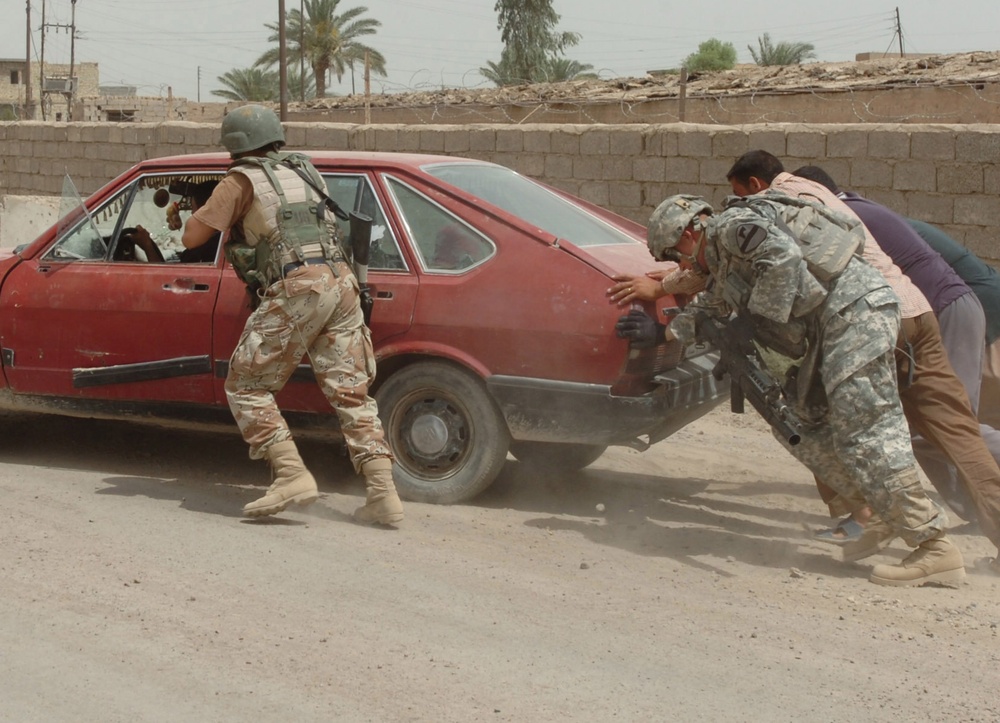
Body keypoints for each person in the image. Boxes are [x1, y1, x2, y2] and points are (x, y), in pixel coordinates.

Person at [618, 192, 964, 587]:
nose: (679, 265)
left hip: (855, 315)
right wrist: (663, 332)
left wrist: (758, 318)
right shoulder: (722, 257)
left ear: (689, 232)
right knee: (803, 428)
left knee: (869, 432)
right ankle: (879, 508)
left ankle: (934, 546)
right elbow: (712, 306)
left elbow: (782, 258)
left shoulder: (733, 228)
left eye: (674, 254)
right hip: (827, 330)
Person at [727, 151, 1000, 576]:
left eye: (737, 194)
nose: (738, 204)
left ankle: (881, 522)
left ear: (755, 186)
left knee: (832, 423)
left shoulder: (777, 209)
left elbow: (780, 272)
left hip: (877, 320)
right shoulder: (830, 197)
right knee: (958, 433)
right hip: (919, 310)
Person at [180, 104, 404, 524]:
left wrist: (193, 212)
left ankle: (290, 474)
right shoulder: (305, 171)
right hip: (342, 284)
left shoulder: (239, 180)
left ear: (234, 145)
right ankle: (383, 495)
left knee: (246, 384)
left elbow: (193, 237)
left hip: (300, 287)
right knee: (351, 392)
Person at [906, 217, 1000, 429]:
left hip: (987, 318)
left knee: (957, 422)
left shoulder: (864, 223)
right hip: (979, 310)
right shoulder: (882, 219)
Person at [129, 181, 222, 264]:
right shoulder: (217, 241)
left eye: (193, 209)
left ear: (204, 212)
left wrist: (147, 246)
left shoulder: (204, 251)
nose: (192, 214)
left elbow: (164, 279)